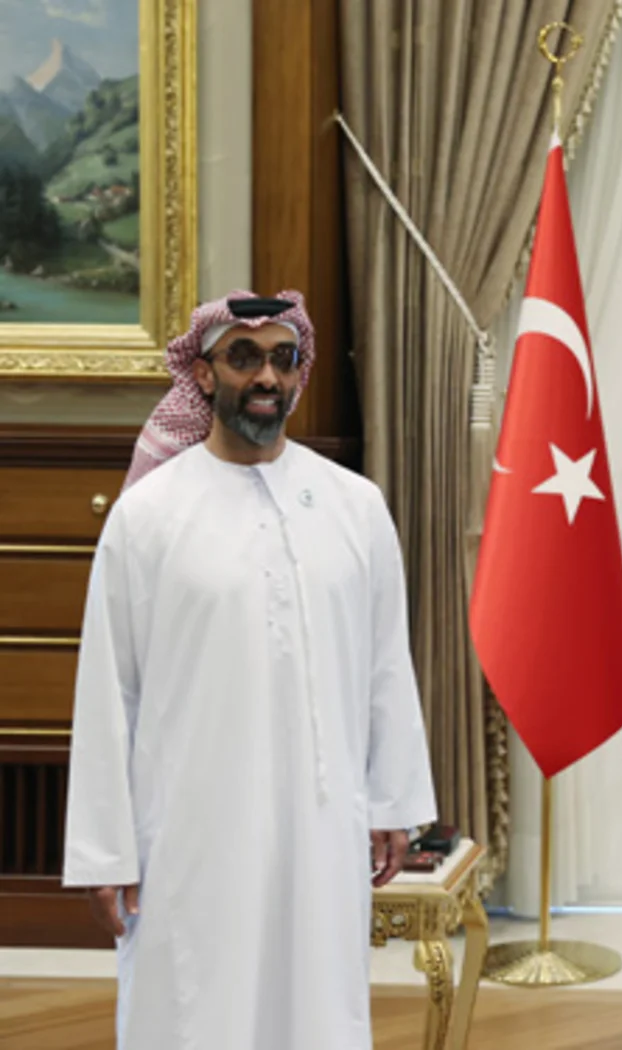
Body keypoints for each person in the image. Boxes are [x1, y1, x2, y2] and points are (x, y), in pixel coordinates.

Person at [62, 290, 438, 1049]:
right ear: (202, 375)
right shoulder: (148, 515)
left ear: (299, 374)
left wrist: (393, 800)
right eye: (243, 357)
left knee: (317, 1007)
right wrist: (107, 850)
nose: (265, 376)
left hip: (321, 824)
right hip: (189, 833)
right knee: (195, 1006)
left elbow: (384, 662)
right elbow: (109, 689)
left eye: (282, 357)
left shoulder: (355, 506)